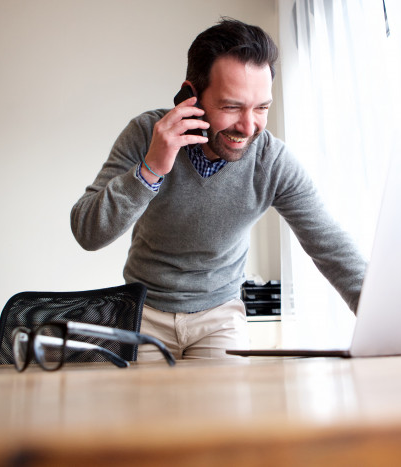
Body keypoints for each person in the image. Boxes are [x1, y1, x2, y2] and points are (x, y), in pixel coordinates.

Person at [71, 18, 366, 361]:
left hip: (220, 317)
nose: (248, 125)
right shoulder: (145, 134)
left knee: (226, 413)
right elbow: (87, 232)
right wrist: (151, 168)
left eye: (261, 108)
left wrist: (387, 322)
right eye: (231, 106)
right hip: (143, 312)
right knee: (146, 414)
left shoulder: (272, 162)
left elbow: (330, 246)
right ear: (191, 95)